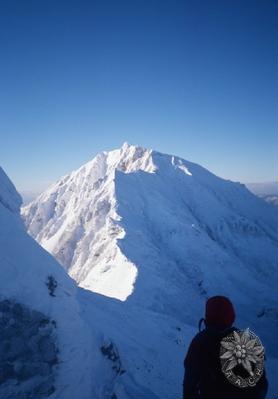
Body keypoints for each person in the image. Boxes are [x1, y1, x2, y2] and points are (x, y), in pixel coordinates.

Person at [183, 296, 268, 399]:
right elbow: (261, 385)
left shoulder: (200, 343)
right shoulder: (247, 341)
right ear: (231, 316)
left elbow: (189, 386)